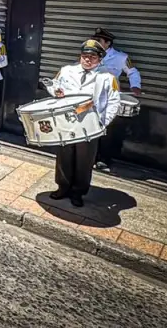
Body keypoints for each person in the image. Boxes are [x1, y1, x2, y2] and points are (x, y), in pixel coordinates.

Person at [46, 39, 121, 208]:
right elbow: (53, 84)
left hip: (90, 126)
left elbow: (114, 102)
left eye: (93, 57)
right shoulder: (66, 70)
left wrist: (103, 123)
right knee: (64, 156)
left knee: (84, 160)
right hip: (66, 122)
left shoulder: (108, 78)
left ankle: (78, 192)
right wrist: (55, 91)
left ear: (100, 59)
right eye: (85, 56)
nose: (88, 60)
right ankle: (63, 187)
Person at [91, 27, 142, 171]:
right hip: (92, 97)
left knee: (108, 131)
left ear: (108, 43)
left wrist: (135, 86)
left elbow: (132, 72)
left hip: (110, 98)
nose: (95, 42)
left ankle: (103, 160)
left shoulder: (121, 57)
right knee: (91, 127)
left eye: (98, 40)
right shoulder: (90, 54)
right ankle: (90, 157)